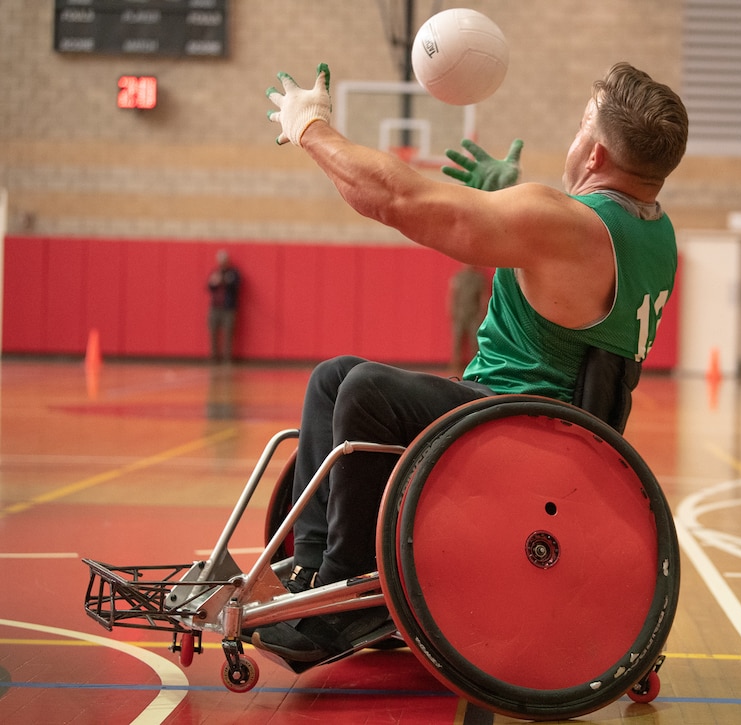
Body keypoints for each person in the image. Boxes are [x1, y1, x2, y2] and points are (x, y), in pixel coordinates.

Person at [251, 62, 688, 663]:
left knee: (366, 390)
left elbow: (398, 198)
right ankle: (312, 573)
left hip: (524, 427)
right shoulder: (656, 234)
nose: (576, 135)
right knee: (333, 378)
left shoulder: (565, 225)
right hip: (568, 427)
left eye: (583, 123)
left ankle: (353, 597)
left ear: (596, 154)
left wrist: (312, 128)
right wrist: (496, 199)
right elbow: (559, 259)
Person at [447, 264, 490, 372]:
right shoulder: (458, 277)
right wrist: (451, 311)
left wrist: (482, 314)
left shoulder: (479, 278)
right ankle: (455, 367)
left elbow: (483, 298)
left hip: (474, 315)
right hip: (459, 314)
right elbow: (452, 295)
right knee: (457, 341)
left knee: (474, 342)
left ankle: (474, 368)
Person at [207, 249, 241, 363]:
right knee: (213, 332)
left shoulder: (233, 273)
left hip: (228, 308)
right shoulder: (215, 272)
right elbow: (210, 287)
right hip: (215, 307)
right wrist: (213, 282)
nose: (221, 263)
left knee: (228, 333)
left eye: (223, 260)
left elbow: (235, 286)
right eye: (220, 260)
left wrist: (224, 281)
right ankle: (214, 357)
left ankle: (227, 358)